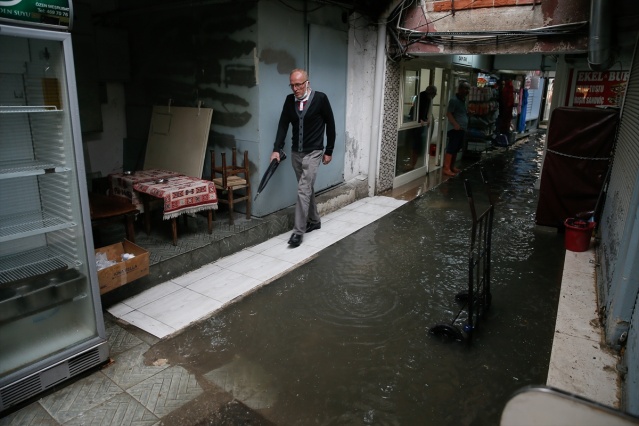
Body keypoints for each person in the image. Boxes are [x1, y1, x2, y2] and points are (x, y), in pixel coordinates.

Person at [271, 68, 336, 248]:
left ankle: (298, 232)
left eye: (298, 84)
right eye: (292, 85)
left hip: (314, 152)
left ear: (307, 83)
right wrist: (277, 149)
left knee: (303, 190)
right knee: (306, 189)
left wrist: (329, 150)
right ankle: (314, 220)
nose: (295, 89)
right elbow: (283, 125)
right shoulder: (289, 100)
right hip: (295, 153)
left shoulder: (320, 99)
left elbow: (330, 125)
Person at [443, 81, 470, 176]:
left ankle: (451, 166)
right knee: (451, 148)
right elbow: (449, 113)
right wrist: (455, 124)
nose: (467, 91)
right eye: (465, 88)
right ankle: (446, 168)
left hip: (462, 129)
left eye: (468, 89)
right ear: (460, 89)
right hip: (455, 129)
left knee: (456, 148)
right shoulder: (454, 100)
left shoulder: (463, 101)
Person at [408, 85, 438, 170]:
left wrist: (426, 118)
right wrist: (420, 119)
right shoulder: (422, 97)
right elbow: (416, 109)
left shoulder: (428, 98)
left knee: (417, 145)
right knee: (416, 144)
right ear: (431, 93)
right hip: (416, 122)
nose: (434, 96)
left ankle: (414, 164)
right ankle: (412, 164)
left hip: (420, 122)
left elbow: (425, 110)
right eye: (434, 94)